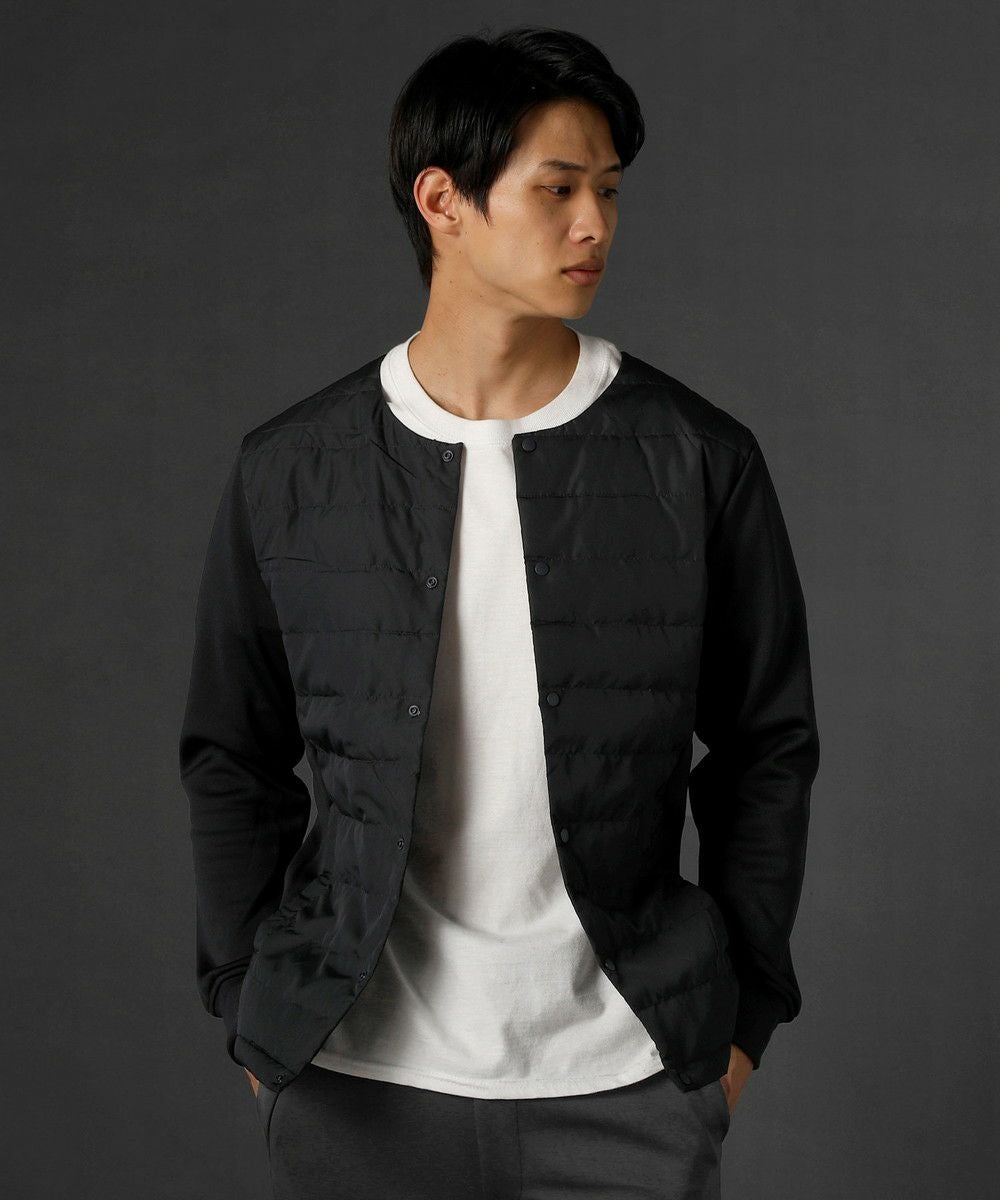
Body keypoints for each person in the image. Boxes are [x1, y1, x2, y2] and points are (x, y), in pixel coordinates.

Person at [179, 24, 820, 1200]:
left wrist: (740, 1025)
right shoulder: (295, 469)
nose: (594, 225)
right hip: (354, 1083)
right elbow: (231, 752)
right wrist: (247, 1004)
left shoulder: (696, 458)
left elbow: (766, 748)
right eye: (557, 189)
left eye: (608, 191)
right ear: (444, 202)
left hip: (628, 1083)